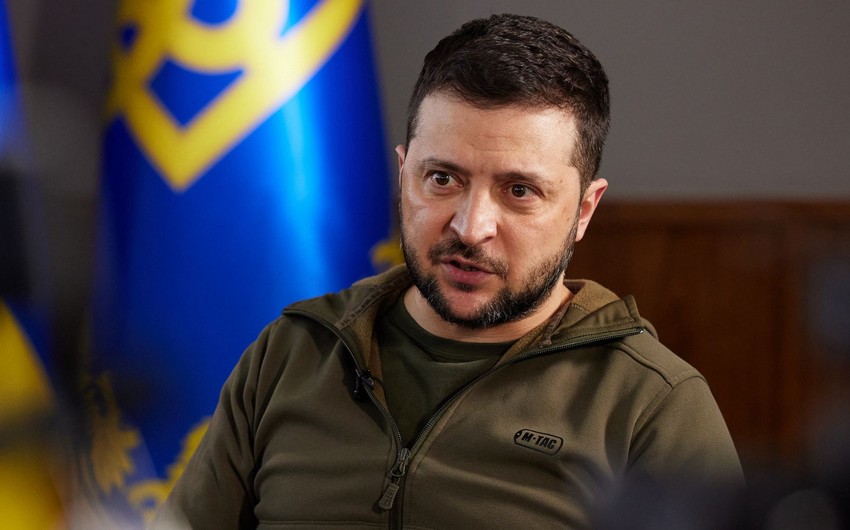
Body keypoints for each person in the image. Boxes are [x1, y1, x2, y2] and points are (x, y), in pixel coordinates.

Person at [152, 13, 743, 530]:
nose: (470, 226)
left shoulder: (651, 404)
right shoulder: (291, 355)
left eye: (519, 191)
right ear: (404, 173)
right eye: (442, 179)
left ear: (584, 211)